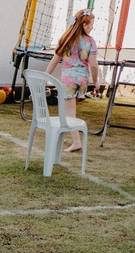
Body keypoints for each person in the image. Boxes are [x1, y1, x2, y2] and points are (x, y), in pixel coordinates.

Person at [46, 9, 100, 152]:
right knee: (68, 110)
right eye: (91, 24)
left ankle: (76, 142)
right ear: (84, 25)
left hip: (69, 80)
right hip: (82, 80)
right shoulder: (90, 41)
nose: (92, 27)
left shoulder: (66, 39)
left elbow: (55, 60)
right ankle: (66, 136)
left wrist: (46, 76)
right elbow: (93, 65)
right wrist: (95, 82)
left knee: (68, 112)